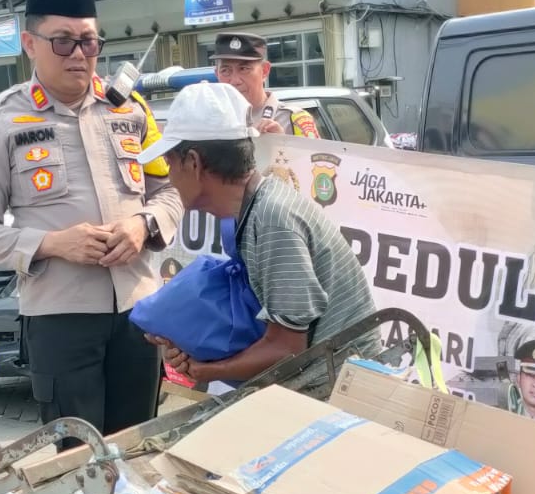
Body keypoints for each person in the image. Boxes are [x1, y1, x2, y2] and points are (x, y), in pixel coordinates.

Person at [0, 0, 185, 435]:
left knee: (138, 444)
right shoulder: (0, 123)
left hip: (137, 312)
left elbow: (171, 190)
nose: (79, 54)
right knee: (76, 459)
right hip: (60, 318)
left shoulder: (130, 111)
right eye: (62, 42)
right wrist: (53, 243)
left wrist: (145, 225)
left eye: (89, 41)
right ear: (30, 43)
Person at [138, 84, 375, 384]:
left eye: (171, 163)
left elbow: (286, 349)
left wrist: (206, 371)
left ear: (194, 163)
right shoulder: (255, 209)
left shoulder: (272, 219)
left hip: (338, 387)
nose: (170, 177)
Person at [209, 32, 319, 138]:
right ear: (217, 74)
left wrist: (282, 144)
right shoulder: (210, 122)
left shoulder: (293, 120)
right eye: (225, 70)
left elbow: (317, 157)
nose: (234, 81)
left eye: (244, 69)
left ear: (265, 71)